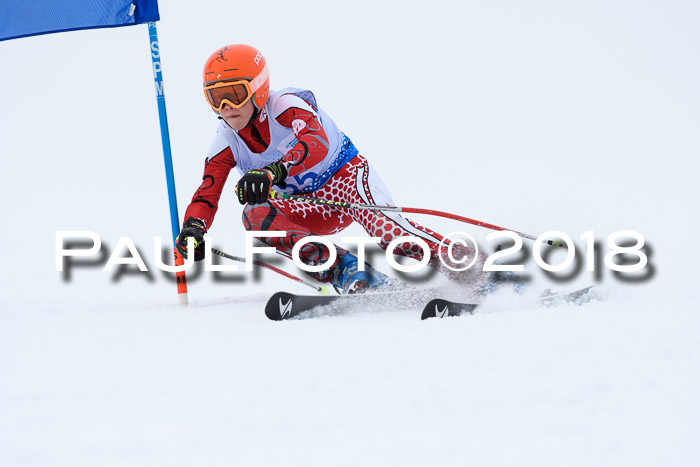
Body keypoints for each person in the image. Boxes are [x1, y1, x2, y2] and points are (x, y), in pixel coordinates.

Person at [176, 44, 492, 295]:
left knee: (392, 236)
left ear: (258, 88)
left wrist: (273, 171)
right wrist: (193, 228)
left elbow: (317, 143)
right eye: (215, 98)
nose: (226, 108)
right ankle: (349, 270)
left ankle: (474, 267)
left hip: (345, 181)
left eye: (234, 95)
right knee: (254, 214)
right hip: (308, 205)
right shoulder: (225, 139)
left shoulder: (284, 105)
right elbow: (208, 190)